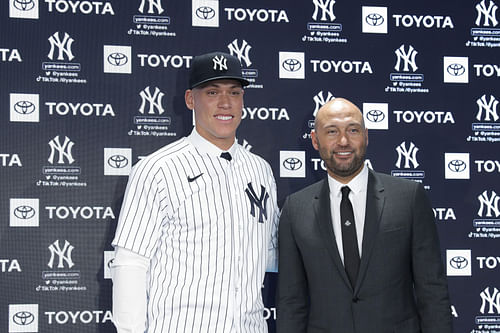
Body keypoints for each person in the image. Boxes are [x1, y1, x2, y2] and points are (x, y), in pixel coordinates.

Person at [110, 51, 279, 333]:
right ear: (191, 99)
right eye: (212, 92)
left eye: (234, 93)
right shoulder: (158, 169)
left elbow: (270, 253)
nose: (225, 103)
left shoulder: (260, 170)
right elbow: (131, 263)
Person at [276, 98, 452, 333]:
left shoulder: (408, 197)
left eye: (353, 130)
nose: (343, 141)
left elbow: (432, 290)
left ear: (366, 136)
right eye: (331, 131)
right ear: (315, 141)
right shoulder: (295, 209)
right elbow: (291, 301)